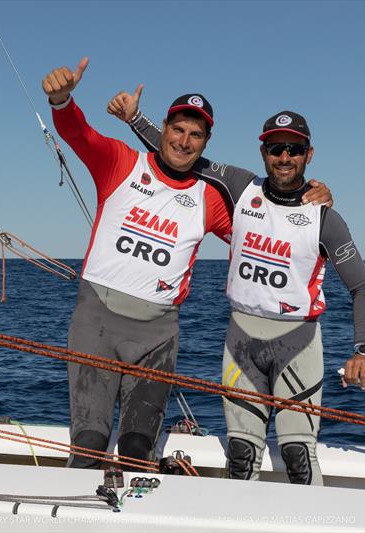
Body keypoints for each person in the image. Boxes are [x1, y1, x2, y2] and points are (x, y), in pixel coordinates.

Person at [42, 58, 334, 469]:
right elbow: (78, 133)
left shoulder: (210, 198)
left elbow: (270, 234)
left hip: (158, 335)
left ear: (205, 141)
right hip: (97, 324)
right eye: (177, 129)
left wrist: (310, 198)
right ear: (163, 128)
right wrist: (61, 98)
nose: (184, 140)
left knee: (137, 448)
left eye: (195, 134)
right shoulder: (120, 163)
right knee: (89, 444)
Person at [109, 92, 365, 485]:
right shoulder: (239, 186)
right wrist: (135, 119)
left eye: (293, 149)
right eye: (275, 148)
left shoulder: (325, 218)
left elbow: (363, 287)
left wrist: (362, 351)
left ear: (309, 154)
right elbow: (182, 155)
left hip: (298, 342)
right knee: (240, 455)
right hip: (241, 340)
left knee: (298, 455)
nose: (284, 157)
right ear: (263, 151)